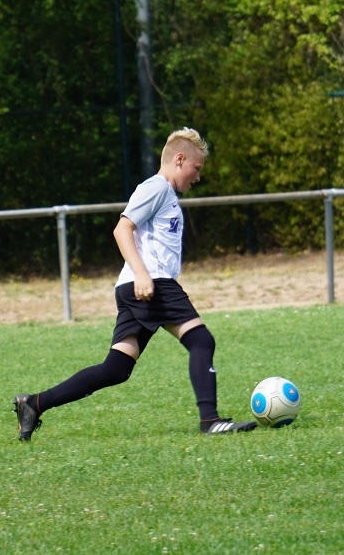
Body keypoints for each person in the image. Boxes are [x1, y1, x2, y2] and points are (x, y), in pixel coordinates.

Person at [13, 127, 257, 440]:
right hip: (151, 282)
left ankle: (34, 404)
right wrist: (142, 274)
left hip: (136, 287)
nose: (198, 177)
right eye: (196, 168)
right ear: (179, 160)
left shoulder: (166, 194)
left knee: (116, 368)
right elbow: (122, 228)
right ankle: (210, 420)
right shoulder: (156, 187)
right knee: (201, 341)